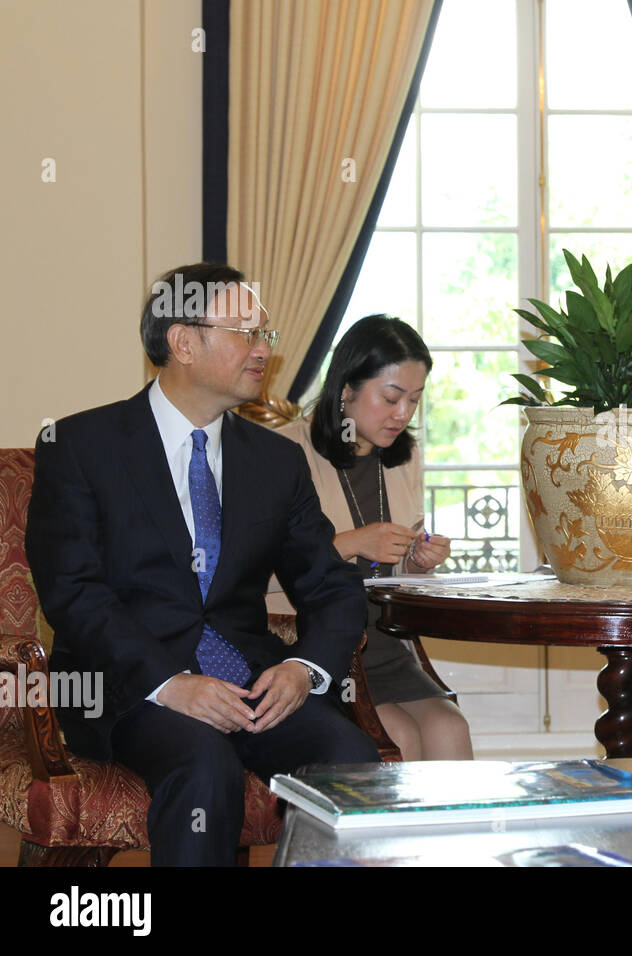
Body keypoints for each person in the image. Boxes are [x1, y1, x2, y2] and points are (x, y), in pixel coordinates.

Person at [26, 263, 380, 866]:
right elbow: (73, 593)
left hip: (251, 685)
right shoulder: (81, 446)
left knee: (347, 755)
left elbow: (331, 587)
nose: (263, 349)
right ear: (183, 342)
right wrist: (170, 683)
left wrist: (304, 668)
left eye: (265, 333)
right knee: (203, 765)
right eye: (246, 332)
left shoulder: (276, 462)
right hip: (124, 689)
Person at [266, 314, 473, 761]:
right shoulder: (280, 453)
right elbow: (248, 571)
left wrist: (417, 560)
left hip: (385, 641)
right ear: (346, 389)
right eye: (391, 397)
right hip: (312, 643)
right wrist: (352, 542)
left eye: (415, 401)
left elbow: (392, 571)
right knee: (398, 734)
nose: (403, 414)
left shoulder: (404, 456)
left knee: (449, 727)